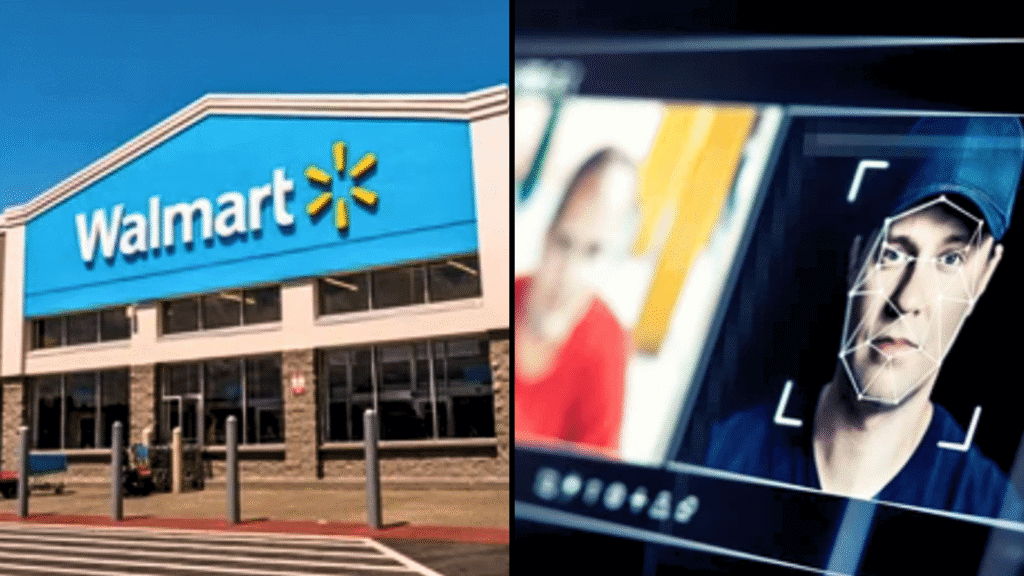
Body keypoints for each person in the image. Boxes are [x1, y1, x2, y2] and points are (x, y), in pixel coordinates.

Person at [705, 116, 1024, 519]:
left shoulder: (990, 519)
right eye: (892, 253)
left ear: (984, 276)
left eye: (950, 259)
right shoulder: (722, 455)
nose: (907, 299)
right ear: (856, 257)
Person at [515, 147, 640, 457]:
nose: (569, 273)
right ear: (546, 235)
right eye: (564, 242)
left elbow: (595, 473)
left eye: (593, 252)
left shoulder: (609, 345)